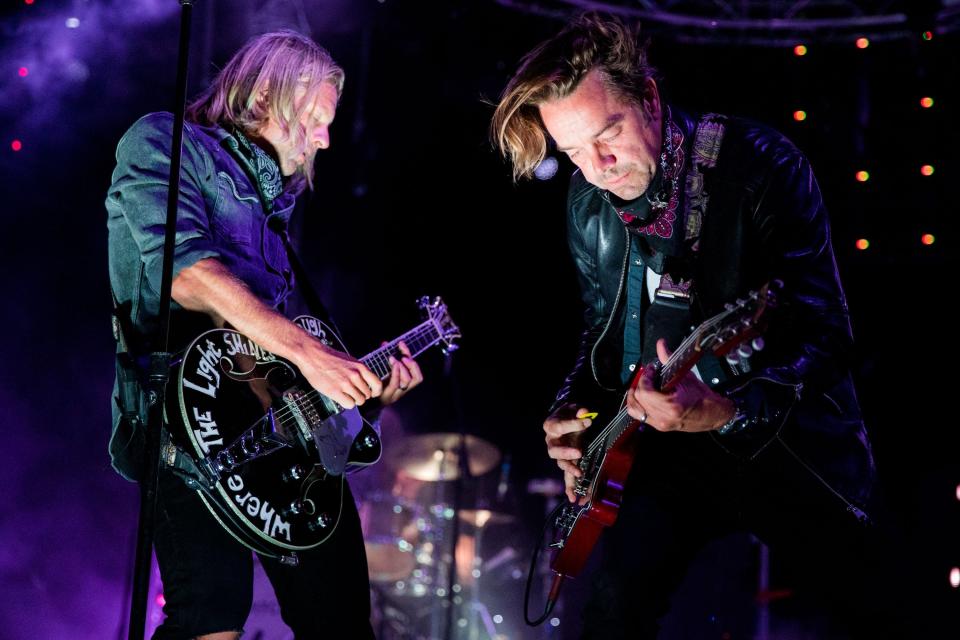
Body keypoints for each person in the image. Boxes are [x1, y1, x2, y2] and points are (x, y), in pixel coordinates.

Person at [491, 12, 906, 639]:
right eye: (574, 152)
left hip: (783, 441)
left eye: (608, 134)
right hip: (661, 449)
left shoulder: (760, 166)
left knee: (881, 612)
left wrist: (726, 411)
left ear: (649, 98)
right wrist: (571, 411)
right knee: (600, 618)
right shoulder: (585, 202)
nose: (598, 166)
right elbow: (601, 335)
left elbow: (827, 337)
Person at [107, 30, 422, 639]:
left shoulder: (276, 220)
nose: (326, 139)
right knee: (211, 620)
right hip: (183, 420)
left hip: (281, 451)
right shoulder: (165, 142)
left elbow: (283, 369)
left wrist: (362, 399)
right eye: (317, 117)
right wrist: (311, 353)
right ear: (267, 92)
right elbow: (187, 272)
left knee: (341, 624)